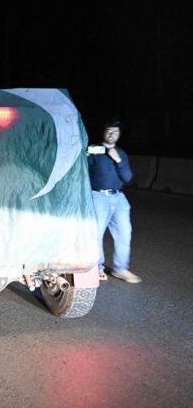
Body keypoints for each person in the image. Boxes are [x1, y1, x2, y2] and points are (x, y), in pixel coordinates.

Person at [87, 119, 141, 284]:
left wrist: (118, 160)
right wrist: (85, 155)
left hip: (119, 198)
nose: (112, 135)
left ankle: (120, 269)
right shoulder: (94, 151)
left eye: (115, 132)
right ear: (104, 132)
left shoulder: (121, 153)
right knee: (96, 235)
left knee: (125, 233)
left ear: (119, 134)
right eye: (109, 131)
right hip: (98, 197)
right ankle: (97, 267)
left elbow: (127, 177)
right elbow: (81, 172)